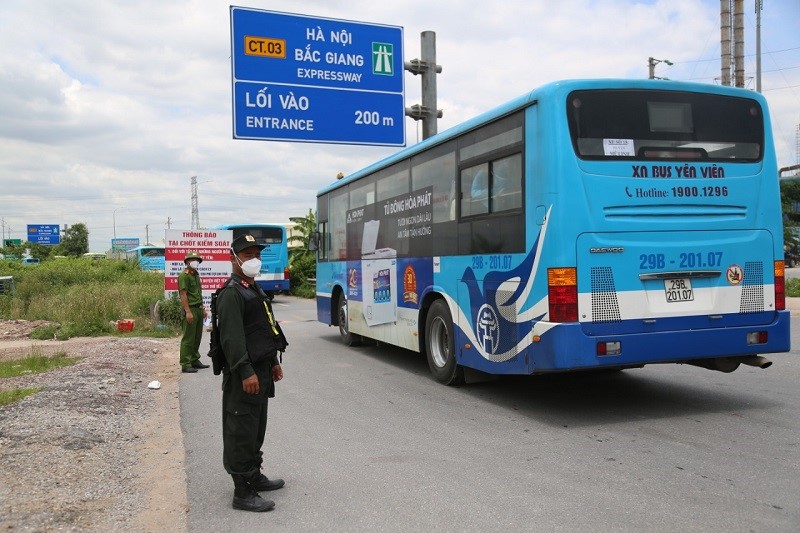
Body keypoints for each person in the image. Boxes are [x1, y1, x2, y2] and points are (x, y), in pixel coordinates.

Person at [217, 234, 288, 512]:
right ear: (233, 259)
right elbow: (232, 340)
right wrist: (246, 371)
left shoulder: (252, 288)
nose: (253, 260)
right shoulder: (232, 293)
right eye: (247, 256)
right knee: (241, 430)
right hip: (243, 373)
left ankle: (254, 475)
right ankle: (242, 491)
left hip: (261, 369)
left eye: (256, 255)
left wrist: (272, 361)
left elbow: (264, 329)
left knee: (256, 427)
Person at [179, 251, 209, 373]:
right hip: (190, 309)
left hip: (197, 308)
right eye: (192, 260)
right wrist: (188, 312)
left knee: (197, 337)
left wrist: (202, 309)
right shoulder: (184, 276)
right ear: (187, 262)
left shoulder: (196, 275)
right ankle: (185, 363)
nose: (195, 262)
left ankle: (194, 360)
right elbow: (183, 294)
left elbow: (198, 294)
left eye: (197, 260)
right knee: (188, 338)